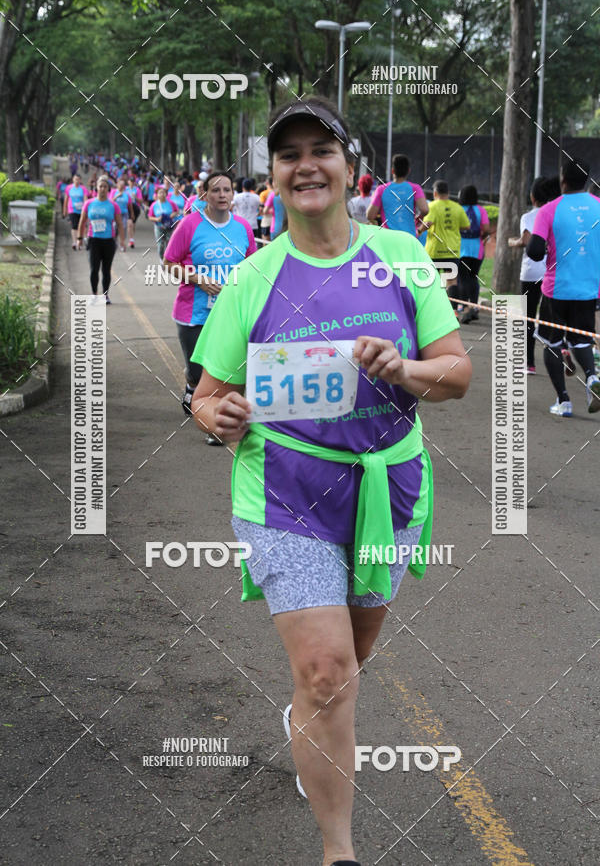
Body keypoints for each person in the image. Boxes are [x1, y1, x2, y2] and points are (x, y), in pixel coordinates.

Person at [189, 97, 471, 866]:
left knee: (353, 659)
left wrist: (403, 368)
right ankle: (338, 851)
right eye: (289, 155)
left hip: (387, 491)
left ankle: (310, 721)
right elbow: (206, 397)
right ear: (274, 176)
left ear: (351, 166)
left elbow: (457, 373)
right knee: (326, 672)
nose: (306, 166)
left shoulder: (401, 255)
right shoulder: (252, 278)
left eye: (321, 150)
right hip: (285, 495)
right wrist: (219, 415)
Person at [163, 171, 257, 426]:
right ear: (204, 195)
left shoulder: (243, 227)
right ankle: (191, 383)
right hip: (194, 312)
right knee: (197, 372)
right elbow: (169, 263)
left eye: (227, 190)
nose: (222, 195)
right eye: (215, 190)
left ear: (233, 194)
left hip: (231, 313)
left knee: (224, 372)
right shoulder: (189, 225)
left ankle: (215, 424)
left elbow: (252, 266)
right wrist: (198, 279)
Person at [526, 157, 600, 416]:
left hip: (556, 289)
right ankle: (592, 377)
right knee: (582, 340)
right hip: (589, 288)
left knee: (552, 342)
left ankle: (564, 401)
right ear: (586, 180)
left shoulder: (549, 210)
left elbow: (535, 251)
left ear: (563, 180)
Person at [508, 176, 558, 373]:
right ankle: (559, 353)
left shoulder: (528, 217)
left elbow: (527, 241)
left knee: (528, 317)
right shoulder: (556, 213)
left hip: (530, 272)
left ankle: (529, 363)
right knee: (552, 316)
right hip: (552, 271)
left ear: (532, 196)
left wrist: (512, 242)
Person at [77, 175, 124, 303]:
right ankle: (94, 294)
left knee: (106, 270)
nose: (102, 189)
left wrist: (122, 241)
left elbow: (120, 223)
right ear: (96, 188)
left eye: (105, 186)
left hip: (109, 241)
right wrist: (79, 238)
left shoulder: (113, 205)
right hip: (94, 240)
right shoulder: (89, 203)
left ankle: (105, 295)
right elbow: (82, 221)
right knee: (94, 269)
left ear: (108, 189)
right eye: (100, 186)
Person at [423, 180, 471, 300]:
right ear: (448, 193)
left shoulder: (432, 206)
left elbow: (428, 223)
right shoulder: (457, 207)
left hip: (434, 251)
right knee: (451, 280)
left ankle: (433, 307)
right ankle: (453, 308)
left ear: (435, 193)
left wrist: (418, 231)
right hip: (452, 250)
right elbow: (466, 226)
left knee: (431, 280)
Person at [366, 153, 428, 234]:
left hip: (389, 236)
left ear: (392, 171)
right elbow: (425, 209)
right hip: (408, 236)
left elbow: (370, 215)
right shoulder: (415, 188)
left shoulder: (381, 189)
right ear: (408, 171)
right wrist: (419, 218)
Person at [455, 185, 491, 324]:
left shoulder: (458, 209)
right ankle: (474, 307)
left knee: (462, 278)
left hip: (461, 248)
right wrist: (481, 236)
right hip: (477, 249)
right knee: (473, 277)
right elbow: (486, 229)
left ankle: (464, 308)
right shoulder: (481, 210)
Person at [148, 186, 178, 262]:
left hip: (169, 226)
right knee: (160, 244)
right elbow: (150, 217)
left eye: (163, 192)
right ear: (157, 195)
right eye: (160, 193)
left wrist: (172, 215)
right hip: (159, 227)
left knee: (169, 243)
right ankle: (161, 259)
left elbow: (176, 211)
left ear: (166, 194)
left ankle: (167, 259)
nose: (162, 194)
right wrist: (156, 219)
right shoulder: (154, 205)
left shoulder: (171, 203)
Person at [63, 175, 90, 250]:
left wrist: (86, 210)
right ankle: (74, 242)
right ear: (73, 180)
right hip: (72, 210)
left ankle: (81, 241)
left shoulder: (83, 189)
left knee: (82, 226)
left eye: (78, 179)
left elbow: (85, 200)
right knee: (74, 226)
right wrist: (64, 210)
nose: (76, 181)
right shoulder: (69, 188)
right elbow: (66, 200)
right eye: (75, 179)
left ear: (80, 180)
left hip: (81, 211)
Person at [126, 176, 143, 247]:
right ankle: (131, 240)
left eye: (133, 181)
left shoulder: (137, 190)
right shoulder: (125, 189)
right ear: (128, 182)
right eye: (130, 181)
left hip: (135, 208)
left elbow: (141, 201)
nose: (132, 183)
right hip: (127, 208)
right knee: (130, 224)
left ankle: (131, 238)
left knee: (133, 224)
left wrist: (135, 197)